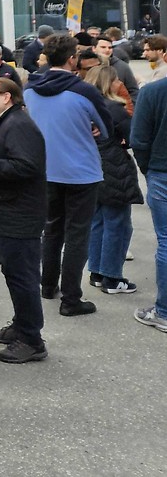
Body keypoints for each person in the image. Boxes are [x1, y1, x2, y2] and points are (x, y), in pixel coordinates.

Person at [24, 33, 111, 317]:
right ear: (72, 59)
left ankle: (48, 285)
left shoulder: (30, 88)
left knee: (52, 229)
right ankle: (71, 298)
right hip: (81, 171)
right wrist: (92, 127)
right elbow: (106, 129)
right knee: (77, 235)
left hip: (46, 170)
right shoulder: (84, 91)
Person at [0, 78, 50, 362]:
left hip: (19, 216)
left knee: (23, 277)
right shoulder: (4, 123)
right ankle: (21, 325)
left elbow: (26, 166)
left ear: (6, 97)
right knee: (14, 274)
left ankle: (31, 340)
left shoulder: (18, 125)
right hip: (6, 213)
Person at [84, 65, 142, 295]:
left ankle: (96, 271)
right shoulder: (114, 108)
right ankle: (112, 276)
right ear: (109, 82)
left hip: (89, 166)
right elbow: (133, 137)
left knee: (97, 221)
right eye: (117, 80)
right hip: (113, 166)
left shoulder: (83, 107)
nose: (120, 83)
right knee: (118, 223)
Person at [130, 66, 167, 334]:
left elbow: (139, 140)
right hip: (160, 170)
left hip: (162, 171)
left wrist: (149, 169)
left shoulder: (153, 92)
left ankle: (164, 311)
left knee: (166, 239)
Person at [94, 34, 140, 102]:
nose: (107, 50)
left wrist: (127, 106)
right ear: (94, 48)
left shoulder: (123, 67)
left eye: (110, 48)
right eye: (103, 47)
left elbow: (133, 91)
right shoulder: (87, 65)